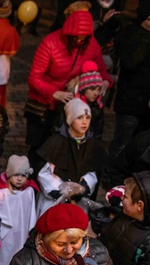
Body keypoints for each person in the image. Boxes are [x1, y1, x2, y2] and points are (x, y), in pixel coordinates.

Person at [25, 10, 111, 161]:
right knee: (40, 148)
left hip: (70, 106)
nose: (79, 40)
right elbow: (34, 78)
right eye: (76, 37)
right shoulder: (50, 42)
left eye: (83, 37)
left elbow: (102, 70)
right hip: (45, 105)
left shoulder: (91, 45)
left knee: (62, 149)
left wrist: (105, 81)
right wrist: (54, 92)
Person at [110, 0, 150, 160]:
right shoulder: (131, 34)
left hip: (149, 104)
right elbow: (130, 62)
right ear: (143, 20)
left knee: (139, 144)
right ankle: (111, 177)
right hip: (131, 103)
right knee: (122, 143)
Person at [35, 98, 109, 217]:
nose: (84, 122)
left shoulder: (93, 145)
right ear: (70, 120)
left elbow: (93, 171)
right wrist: (60, 190)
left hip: (78, 202)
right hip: (54, 201)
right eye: (79, 118)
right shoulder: (56, 142)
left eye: (87, 118)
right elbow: (44, 172)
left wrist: (84, 186)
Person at [70, 61, 105, 138]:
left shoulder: (97, 107)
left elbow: (98, 132)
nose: (96, 93)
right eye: (92, 89)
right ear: (83, 89)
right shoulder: (71, 105)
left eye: (98, 89)